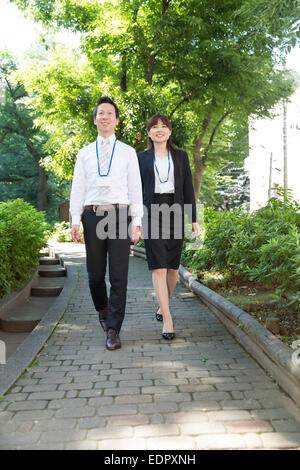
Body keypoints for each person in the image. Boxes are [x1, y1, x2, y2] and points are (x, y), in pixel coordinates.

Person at [70, 96, 143, 350]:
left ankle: (113, 328)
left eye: (110, 113)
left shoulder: (127, 152)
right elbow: (78, 187)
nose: (105, 117)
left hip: (119, 214)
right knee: (95, 276)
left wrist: (137, 221)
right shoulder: (84, 153)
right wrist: (75, 218)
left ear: (116, 120)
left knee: (119, 275)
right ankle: (103, 310)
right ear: (95, 119)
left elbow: (135, 188)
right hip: (92, 215)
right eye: (100, 113)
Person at [137, 114, 200, 340]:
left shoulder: (180, 156)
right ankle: (168, 319)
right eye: (155, 127)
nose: (159, 130)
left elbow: (188, 189)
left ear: (170, 132)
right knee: (159, 267)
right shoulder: (141, 158)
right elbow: (135, 192)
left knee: (173, 267)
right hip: (150, 212)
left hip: (175, 210)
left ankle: (163, 305)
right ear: (149, 133)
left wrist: (193, 219)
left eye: (164, 127)